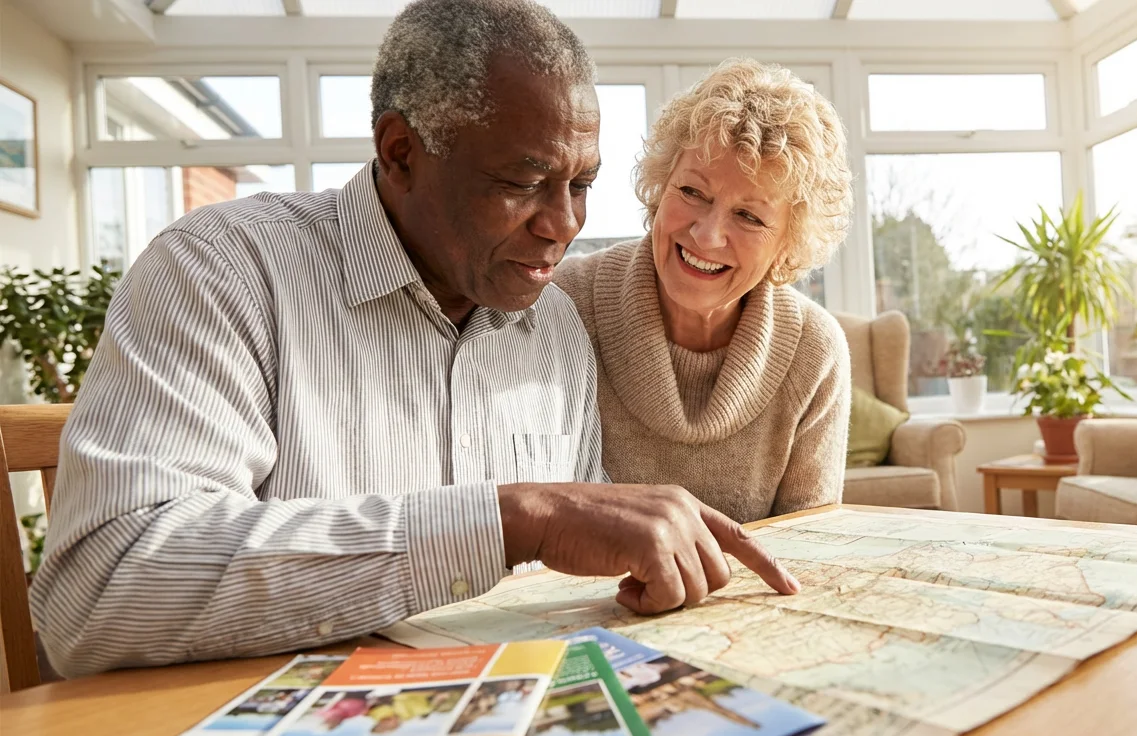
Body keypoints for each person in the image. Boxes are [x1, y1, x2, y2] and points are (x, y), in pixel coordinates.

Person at [30, 0, 796, 680]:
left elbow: (568, 585)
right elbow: (97, 592)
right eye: (522, 182)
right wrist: (508, 521)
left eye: (581, 184)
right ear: (400, 152)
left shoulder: (556, 329)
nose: (564, 224)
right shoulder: (224, 272)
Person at [554, 59, 854, 523]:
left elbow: (809, 545)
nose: (707, 236)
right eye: (693, 192)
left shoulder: (813, 351)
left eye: (749, 217)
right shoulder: (565, 304)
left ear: (787, 244)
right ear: (661, 186)